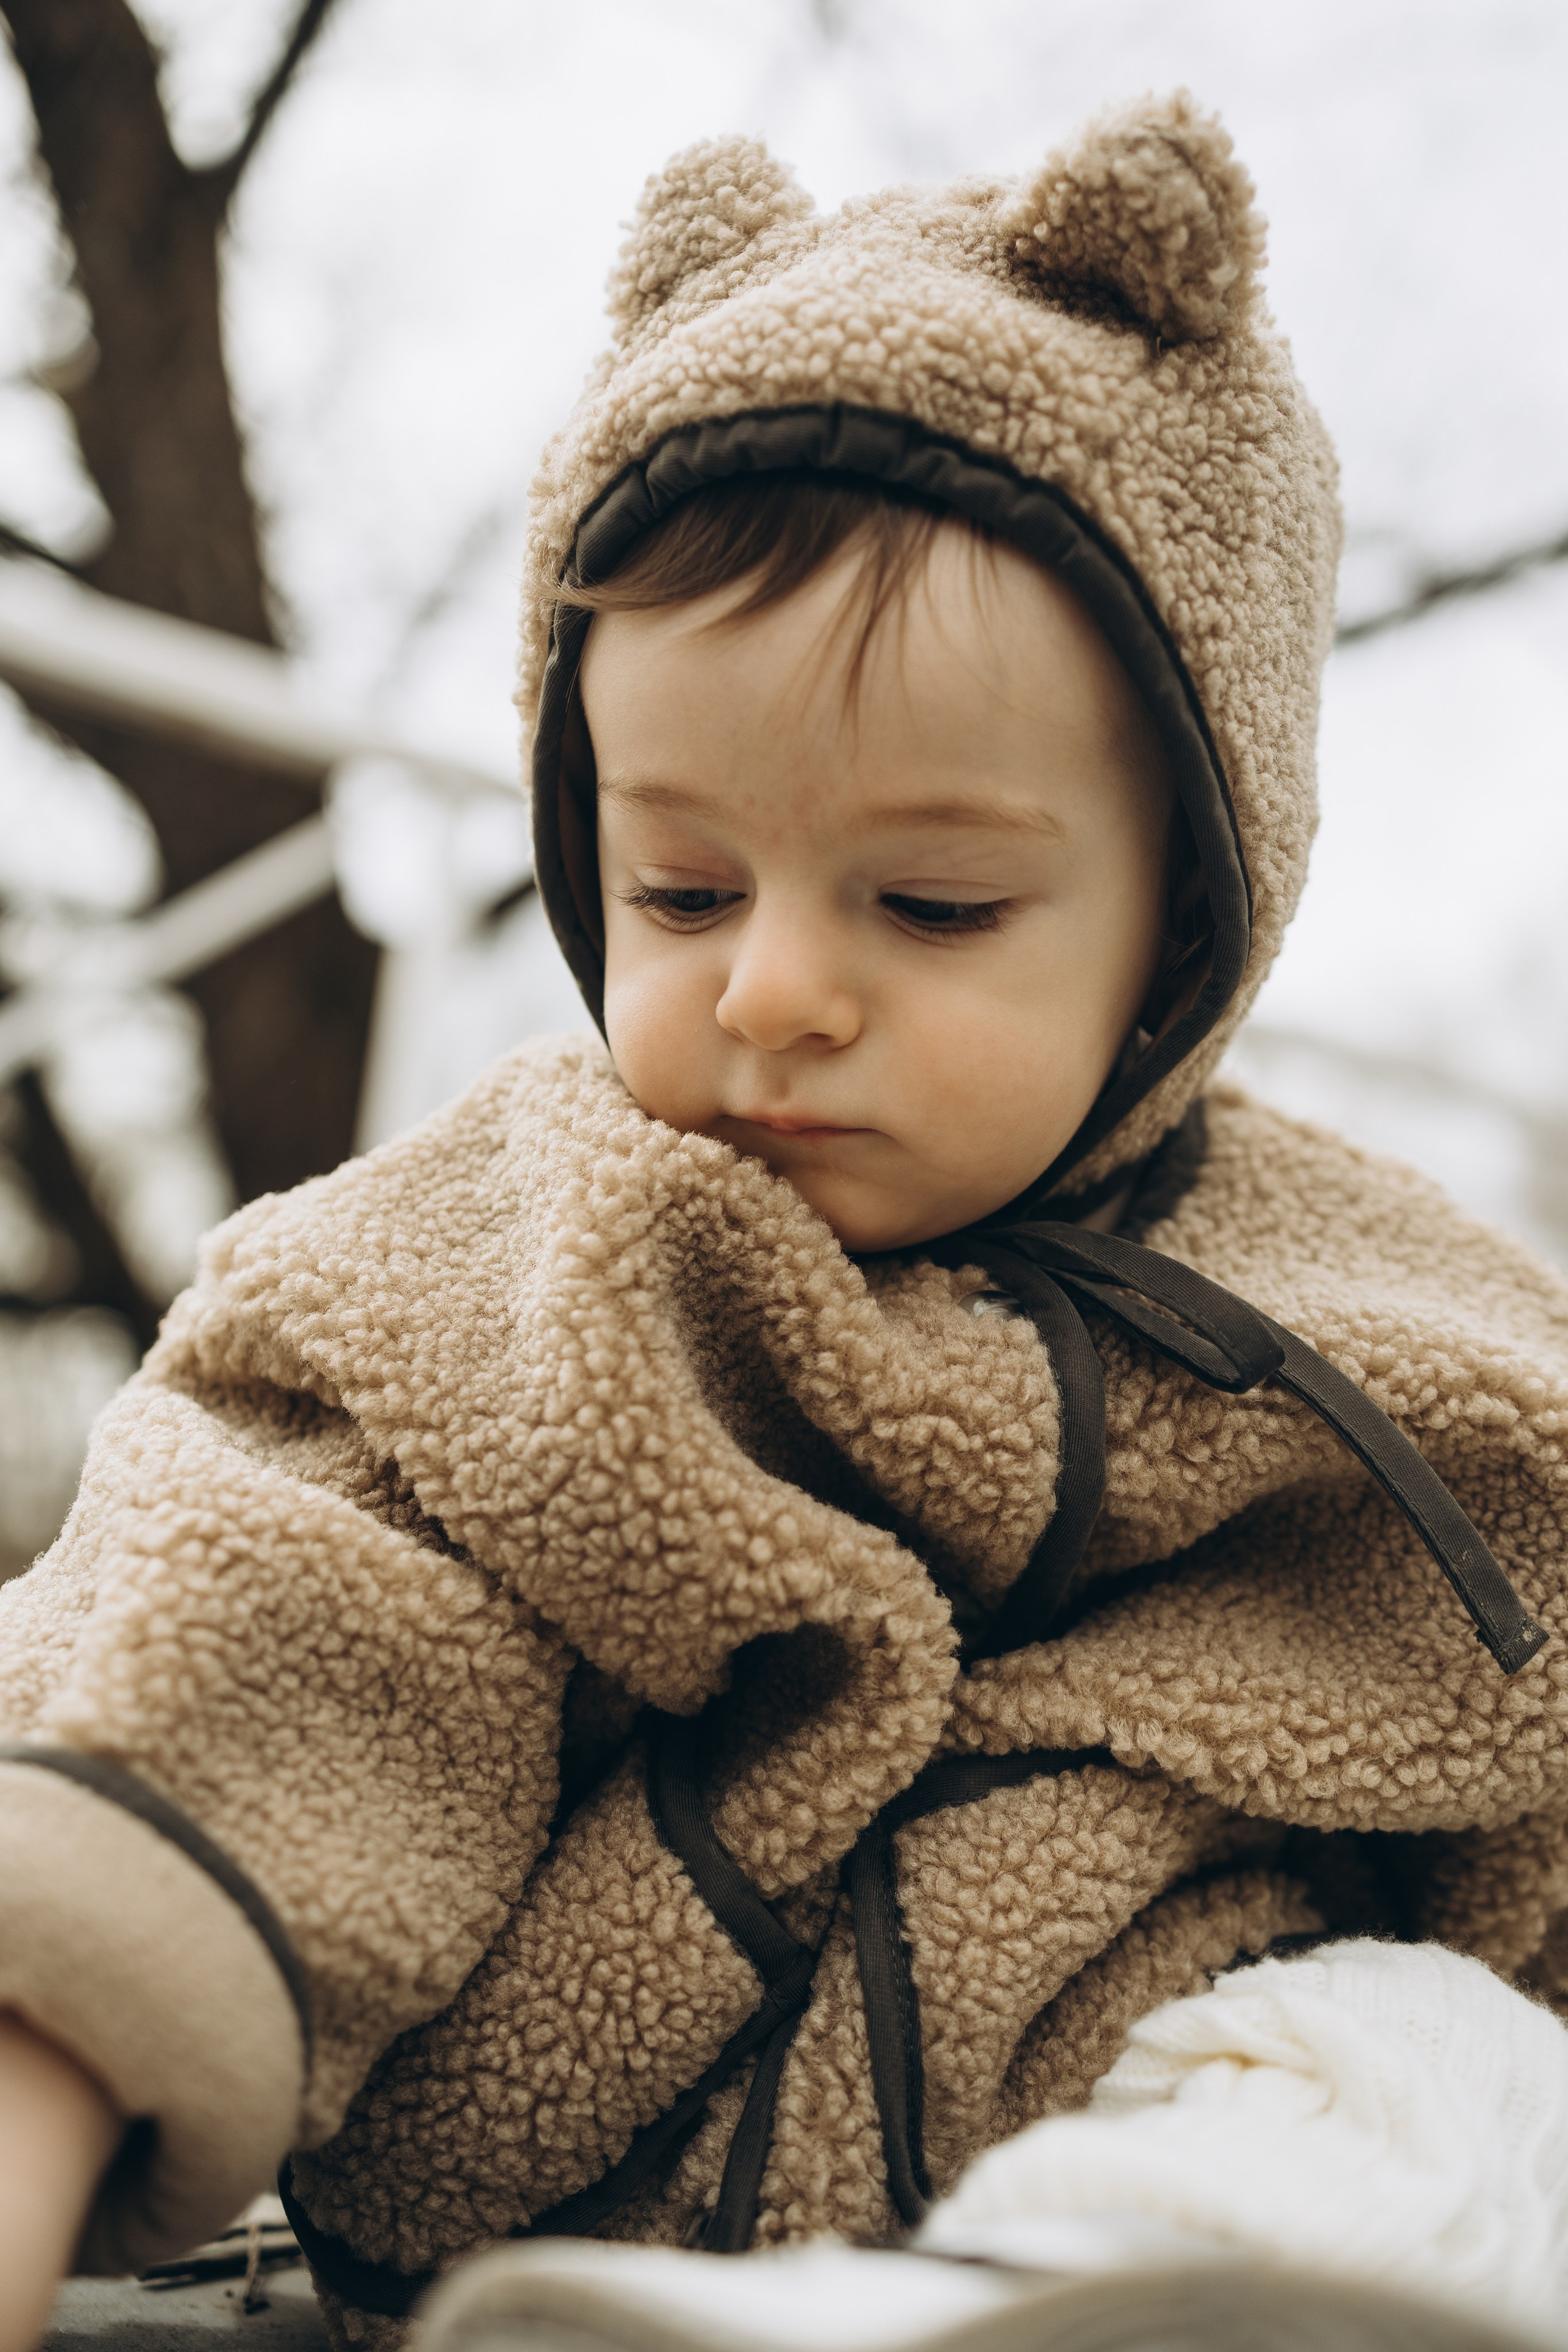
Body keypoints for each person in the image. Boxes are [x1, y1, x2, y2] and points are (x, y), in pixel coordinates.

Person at [1, 88, 1566, 2352]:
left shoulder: (1375, 1323)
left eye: (931, 905)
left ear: (1186, 924)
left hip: (1171, 2110)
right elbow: (253, 1633)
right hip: (611, 2183)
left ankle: (1087, 2302)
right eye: (682, 889)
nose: (773, 992)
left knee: (1451, 2066)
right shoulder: (521, 1265)